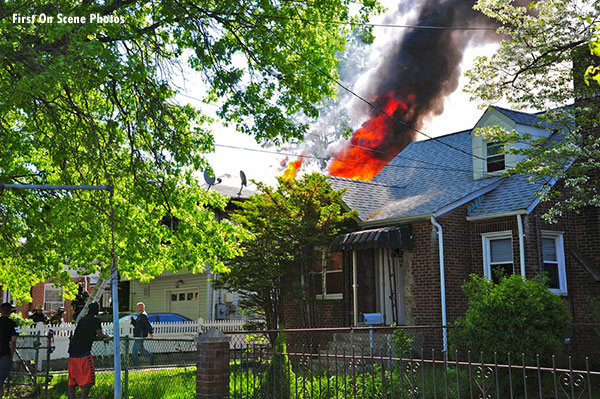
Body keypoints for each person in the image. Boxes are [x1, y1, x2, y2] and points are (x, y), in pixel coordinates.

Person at [67, 302, 106, 399]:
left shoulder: (82, 320)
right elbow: (100, 335)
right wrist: (106, 337)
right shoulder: (96, 320)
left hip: (72, 352)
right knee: (88, 380)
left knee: (72, 382)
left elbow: (83, 334)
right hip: (83, 352)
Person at [0, 303, 18, 399]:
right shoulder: (13, 324)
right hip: (5, 355)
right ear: (10, 312)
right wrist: (11, 357)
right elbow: (13, 341)